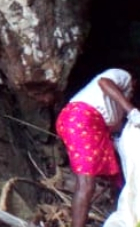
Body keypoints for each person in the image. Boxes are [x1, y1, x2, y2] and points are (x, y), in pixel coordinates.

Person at [57, 68, 138, 227]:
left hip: (96, 128)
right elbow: (104, 82)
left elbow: (115, 126)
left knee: (118, 177)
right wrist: (132, 111)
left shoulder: (116, 106)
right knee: (86, 184)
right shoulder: (123, 76)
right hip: (82, 119)